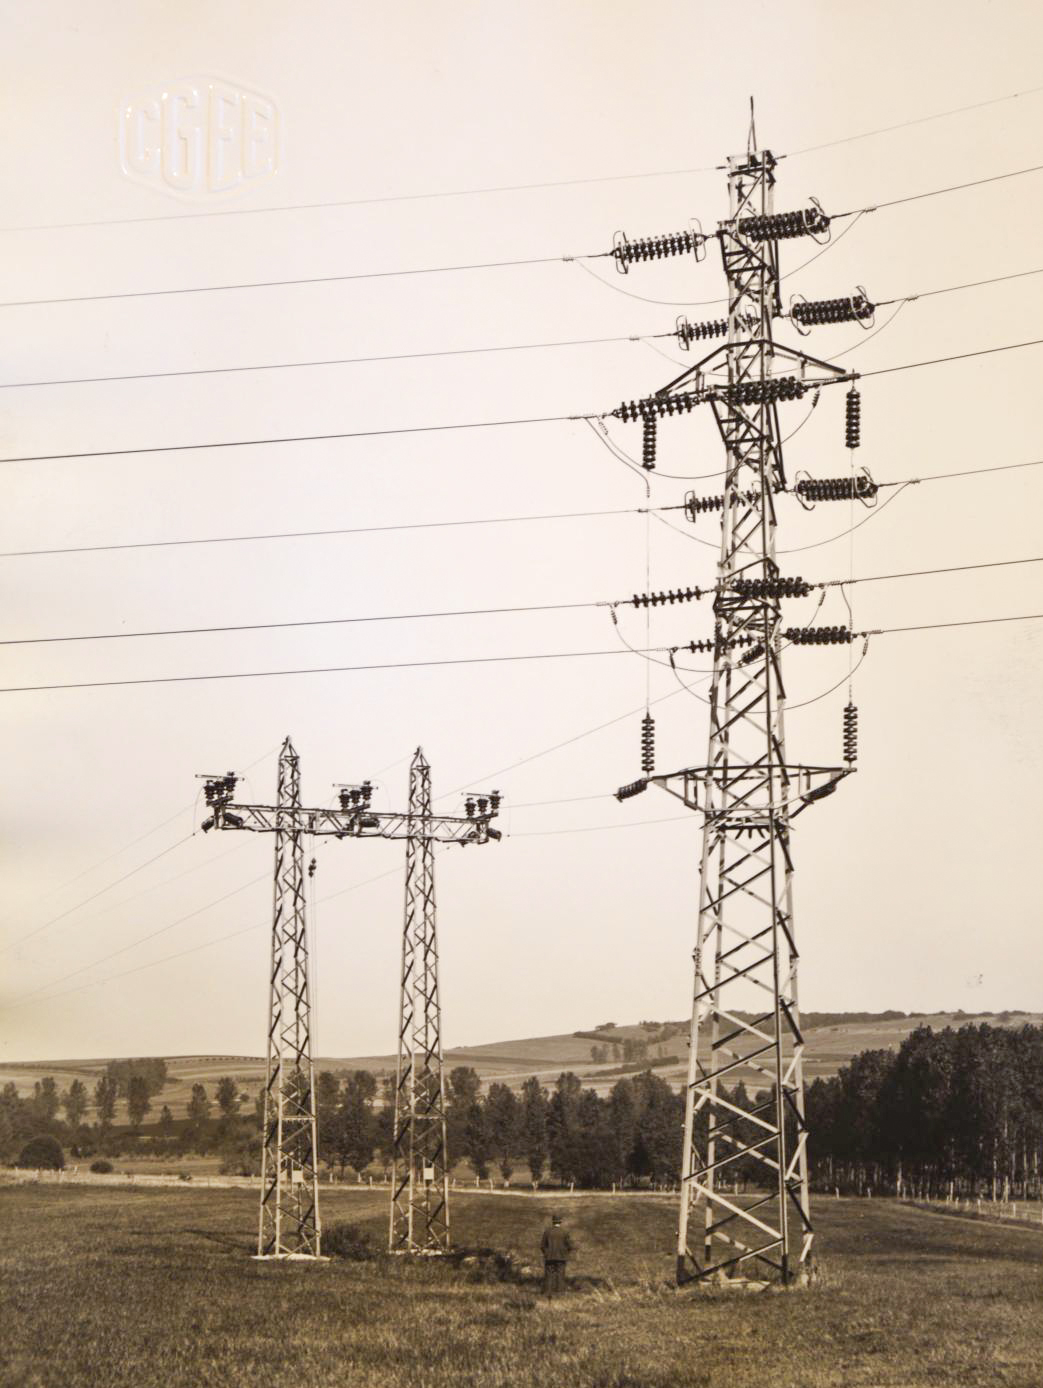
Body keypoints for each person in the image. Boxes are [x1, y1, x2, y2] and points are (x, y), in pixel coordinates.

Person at [540, 1212, 573, 1296]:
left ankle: (547, 1292)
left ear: (553, 1221)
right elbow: (570, 1246)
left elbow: (542, 1246)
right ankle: (560, 1292)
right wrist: (565, 1252)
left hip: (549, 1257)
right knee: (560, 1274)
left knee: (549, 1275)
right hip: (561, 1257)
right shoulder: (564, 1232)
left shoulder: (547, 1231)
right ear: (560, 1221)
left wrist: (546, 1253)